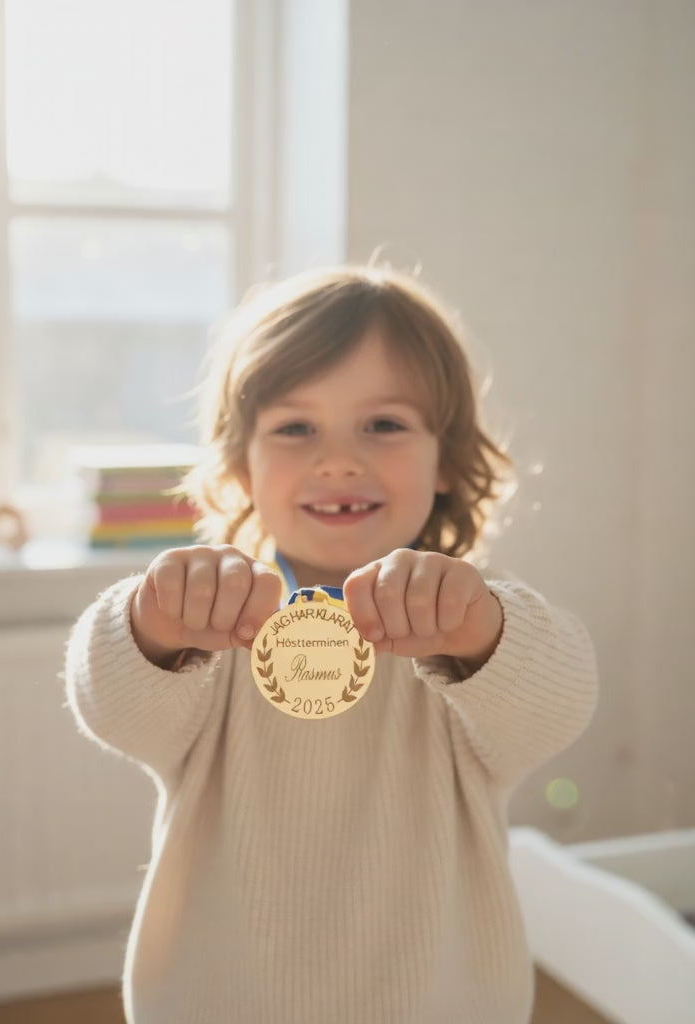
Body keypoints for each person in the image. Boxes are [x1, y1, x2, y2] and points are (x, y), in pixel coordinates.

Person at [65, 265, 598, 1024]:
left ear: (445, 456)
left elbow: (560, 703)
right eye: (294, 427)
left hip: (438, 1004)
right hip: (218, 999)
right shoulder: (207, 628)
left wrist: (482, 631)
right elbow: (114, 710)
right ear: (240, 466)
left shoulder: (472, 629)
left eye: (383, 424)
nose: (339, 460)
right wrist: (149, 626)